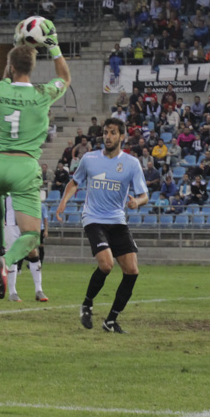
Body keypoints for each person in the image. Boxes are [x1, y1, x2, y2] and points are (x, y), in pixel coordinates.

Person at [0, 32, 71, 300]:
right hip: (24, 166)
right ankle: (7, 260)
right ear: (32, 68)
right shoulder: (42, 93)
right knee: (32, 236)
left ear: (11, 67)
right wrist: (54, 46)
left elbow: (4, 78)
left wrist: (16, 46)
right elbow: (65, 78)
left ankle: (0, 245)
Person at [56, 117, 147, 332]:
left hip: (117, 220)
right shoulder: (89, 159)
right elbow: (74, 182)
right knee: (106, 264)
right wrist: (63, 202)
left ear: (122, 137)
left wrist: (137, 202)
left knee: (132, 271)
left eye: (113, 132)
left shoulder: (132, 164)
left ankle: (111, 321)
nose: (108, 136)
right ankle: (87, 304)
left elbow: (144, 195)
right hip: (94, 218)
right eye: (106, 132)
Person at [3, 195, 48, 302]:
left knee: (33, 253)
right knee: (13, 255)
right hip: (11, 224)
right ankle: (12, 292)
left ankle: (39, 290)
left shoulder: (28, 186)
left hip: (27, 223)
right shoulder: (7, 185)